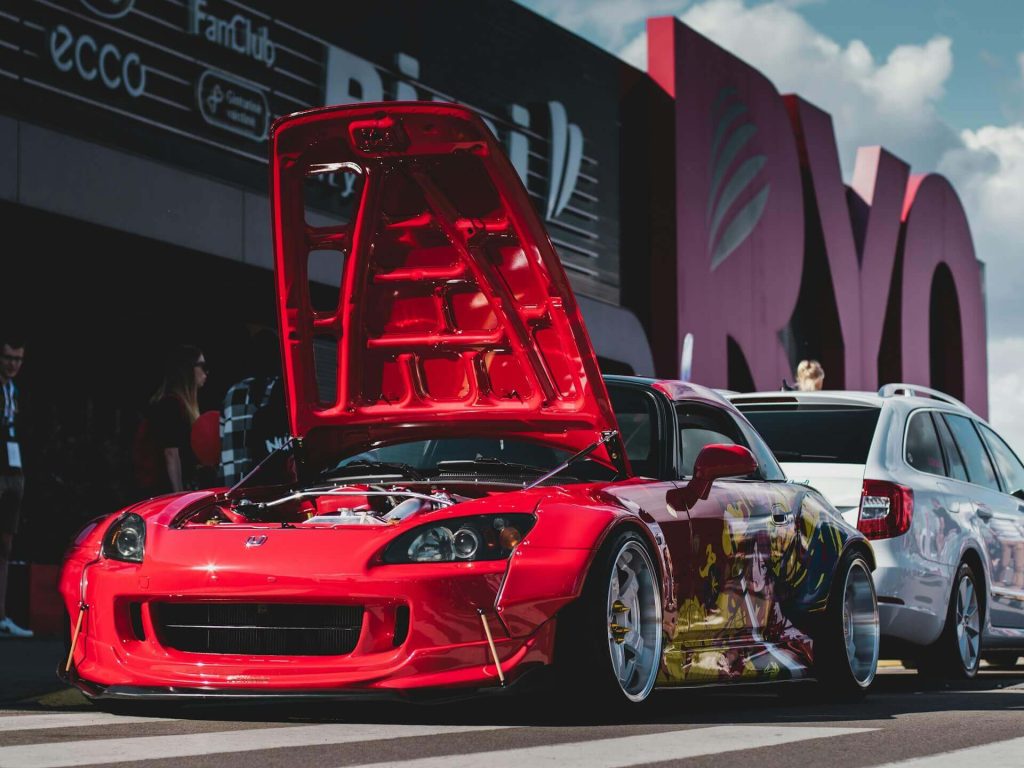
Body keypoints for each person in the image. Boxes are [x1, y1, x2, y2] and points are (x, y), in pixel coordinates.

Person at [134, 345, 208, 496]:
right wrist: (179, 497)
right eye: (202, 366)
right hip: (165, 493)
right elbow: (171, 453)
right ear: (187, 369)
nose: (206, 372)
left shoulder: (172, 403)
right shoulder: (171, 405)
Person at [220, 330, 287, 486]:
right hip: (266, 482)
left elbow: (222, 441)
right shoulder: (280, 389)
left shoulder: (232, 393)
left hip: (233, 482)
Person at [0, 334, 31, 637]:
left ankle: (3, 615)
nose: (13, 364)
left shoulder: (14, 389)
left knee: (6, 544)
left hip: (13, 470)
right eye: (9, 358)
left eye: (18, 359)